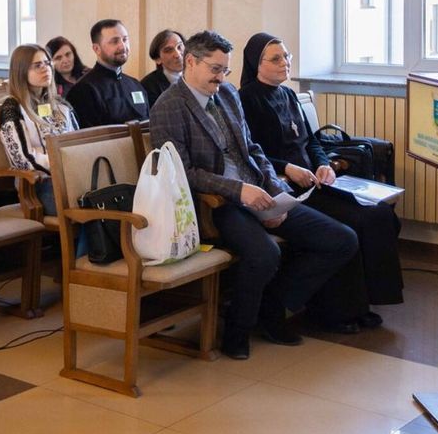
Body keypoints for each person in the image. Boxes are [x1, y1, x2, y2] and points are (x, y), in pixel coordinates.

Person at [150, 30, 358, 360]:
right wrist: (239, 191)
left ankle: (273, 306)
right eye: (215, 69)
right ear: (190, 62)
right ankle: (237, 330)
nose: (221, 78)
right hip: (217, 203)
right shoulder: (169, 107)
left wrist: (277, 192)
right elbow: (183, 173)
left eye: (225, 70)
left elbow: (252, 149)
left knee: (341, 240)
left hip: (258, 190)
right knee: (264, 254)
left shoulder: (228, 94)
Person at [239, 33, 403, 331]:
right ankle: (335, 312)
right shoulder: (248, 99)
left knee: (378, 214)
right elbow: (252, 154)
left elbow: (312, 141)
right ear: (256, 64)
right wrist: (288, 168)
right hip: (288, 188)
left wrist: (323, 163)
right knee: (353, 223)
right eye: (276, 59)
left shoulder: (288, 94)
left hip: (315, 181)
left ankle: (366, 302)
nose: (285, 63)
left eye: (286, 56)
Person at [0, 44, 78, 217]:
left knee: (105, 199)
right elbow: (24, 160)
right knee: (86, 206)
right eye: (37, 65)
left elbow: (79, 142)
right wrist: (64, 164)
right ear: (21, 71)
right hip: (38, 186)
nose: (45, 69)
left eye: (47, 63)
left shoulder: (61, 105)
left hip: (71, 176)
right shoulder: (11, 108)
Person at [66, 19, 150, 127]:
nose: (122, 46)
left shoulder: (135, 85)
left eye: (125, 39)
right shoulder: (83, 90)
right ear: (97, 49)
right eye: (114, 41)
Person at [140, 29, 185, 103]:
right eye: (169, 50)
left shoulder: (199, 76)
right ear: (157, 59)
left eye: (179, 46)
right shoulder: (148, 86)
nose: (178, 55)